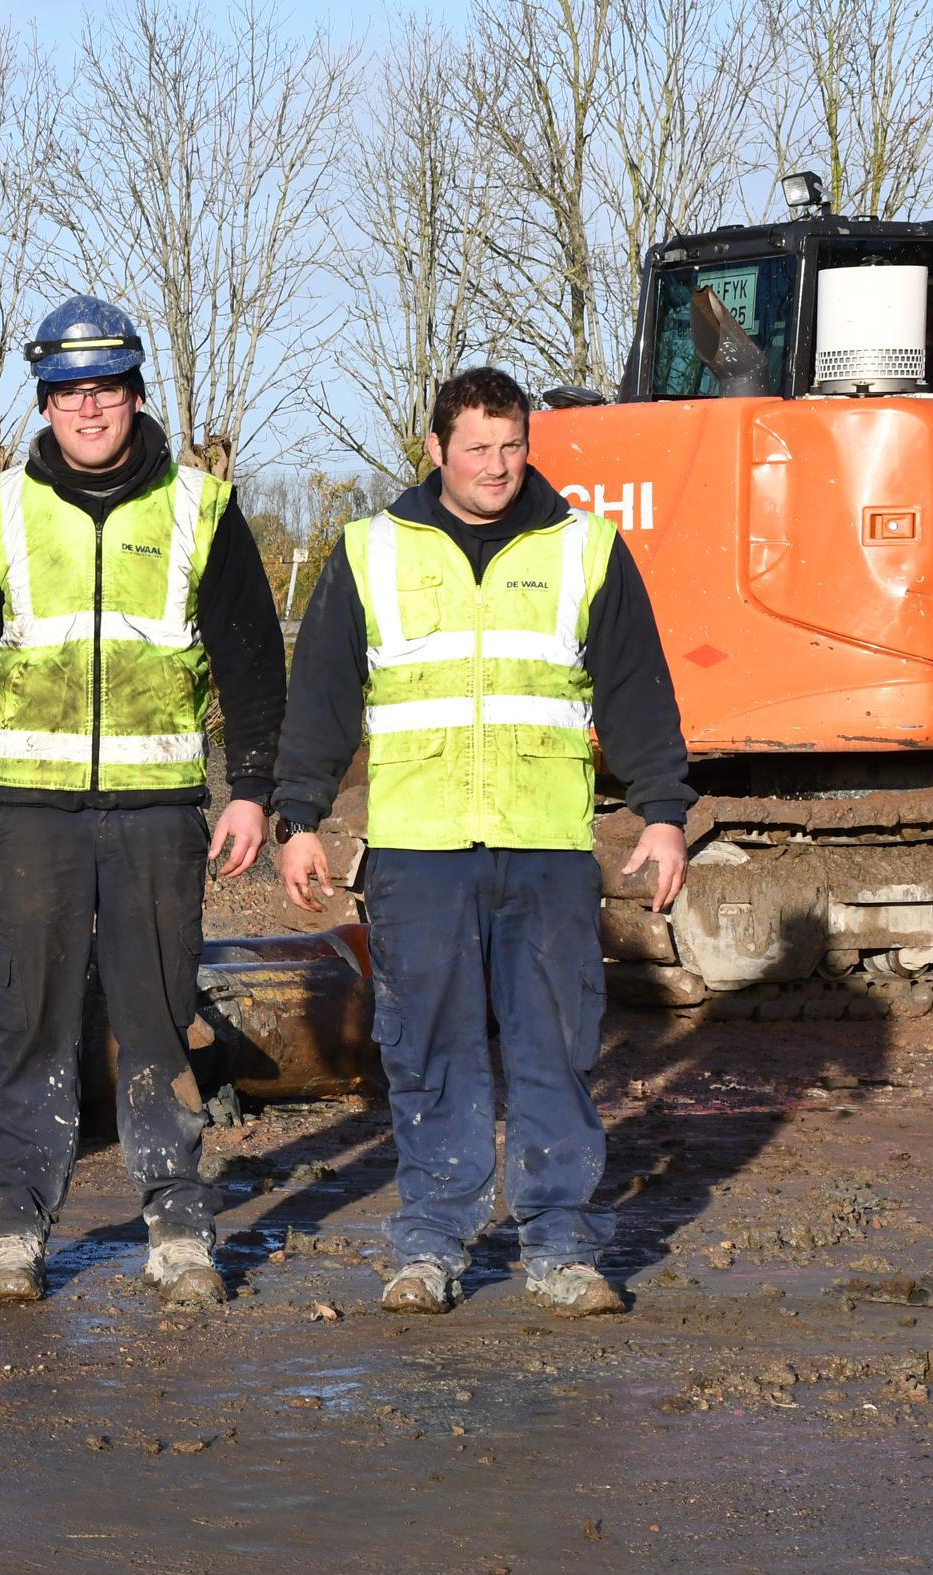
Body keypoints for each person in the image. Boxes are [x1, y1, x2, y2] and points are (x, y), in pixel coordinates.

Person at [273, 366, 693, 1318]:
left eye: (511, 446)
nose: (497, 467)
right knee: (427, 1049)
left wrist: (664, 811)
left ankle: (559, 1245)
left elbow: (635, 688)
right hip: (420, 850)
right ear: (435, 451)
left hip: (544, 846)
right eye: (477, 449)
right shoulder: (371, 550)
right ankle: (430, 1244)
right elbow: (324, 700)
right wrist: (300, 818)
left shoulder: (585, 547)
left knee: (555, 1047)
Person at [0, 296, 287, 1308]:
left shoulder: (200, 507)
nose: (88, 409)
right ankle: (15, 1232)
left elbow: (254, 661)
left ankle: (176, 1228)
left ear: (133, 394)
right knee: (30, 1023)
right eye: (69, 392)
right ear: (44, 402)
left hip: (160, 813)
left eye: (106, 388)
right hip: (28, 815)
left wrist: (251, 791)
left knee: (160, 1022)